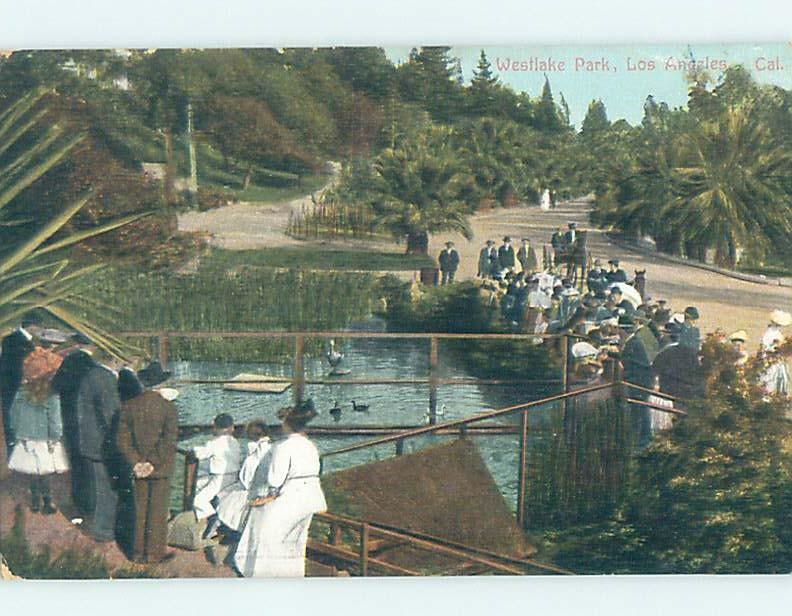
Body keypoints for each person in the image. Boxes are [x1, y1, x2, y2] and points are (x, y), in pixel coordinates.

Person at [234, 399, 327, 578]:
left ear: (287, 425)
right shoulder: (310, 445)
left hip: (293, 497)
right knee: (295, 539)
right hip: (313, 496)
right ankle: (292, 572)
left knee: (261, 522)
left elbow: (274, 480)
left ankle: (260, 571)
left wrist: (270, 494)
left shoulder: (282, 447)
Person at [115, 368, 178, 563]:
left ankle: (137, 552)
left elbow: (121, 440)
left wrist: (137, 462)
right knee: (158, 512)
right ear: (161, 384)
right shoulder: (168, 408)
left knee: (139, 509)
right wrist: (152, 463)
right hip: (160, 468)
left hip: (137, 468)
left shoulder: (128, 406)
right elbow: (168, 441)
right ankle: (153, 554)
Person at [7, 345, 69, 514]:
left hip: (26, 438)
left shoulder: (21, 392)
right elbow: (55, 421)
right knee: (45, 472)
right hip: (46, 439)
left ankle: (35, 501)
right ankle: (47, 502)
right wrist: (56, 437)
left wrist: (18, 432)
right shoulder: (52, 396)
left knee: (32, 470)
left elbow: (13, 415)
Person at [76, 350, 123, 542]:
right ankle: (104, 531)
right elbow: (111, 417)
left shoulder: (93, 375)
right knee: (107, 489)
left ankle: (99, 525)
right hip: (101, 444)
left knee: (98, 487)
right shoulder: (106, 379)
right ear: (116, 359)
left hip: (90, 440)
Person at [50, 333, 97, 516]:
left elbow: (55, 387)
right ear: (91, 346)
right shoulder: (94, 367)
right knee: (90, 462)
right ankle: (91, 505)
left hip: (70, 419)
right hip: (89, 421)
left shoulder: (68, 362)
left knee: (76, 461)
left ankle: (79, 503)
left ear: (77, 344)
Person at [213, 420, 273, 537]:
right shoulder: (269, 448)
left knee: (225, 499)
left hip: (254, 490)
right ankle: (228, 528)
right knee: (225, 496)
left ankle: (229, 530)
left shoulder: (256, 455)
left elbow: (247, 478)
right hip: (262, 488)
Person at [192, 413, 242, 524]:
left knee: (198, 500)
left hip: (220, 477)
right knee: (198, 484)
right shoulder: (235, 442)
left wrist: (193, 450)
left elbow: (200, 454)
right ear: (231, 428)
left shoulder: (215, 443)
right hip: (233, 475)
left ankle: (211, 518)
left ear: (216, 427)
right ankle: (203, 517)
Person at [1, 322, 36, 451]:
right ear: (33, 326)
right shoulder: (23, 342)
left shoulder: (9, 339)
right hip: (18, 383)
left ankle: (12, 442)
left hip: (8, 382)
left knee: (9, 413)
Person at [759, 310, 791, 396]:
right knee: (770, 381)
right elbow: (766, 349)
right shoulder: (769, 334)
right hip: (771, 362)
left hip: (777, 361)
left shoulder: (776, 333)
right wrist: (777, 348)